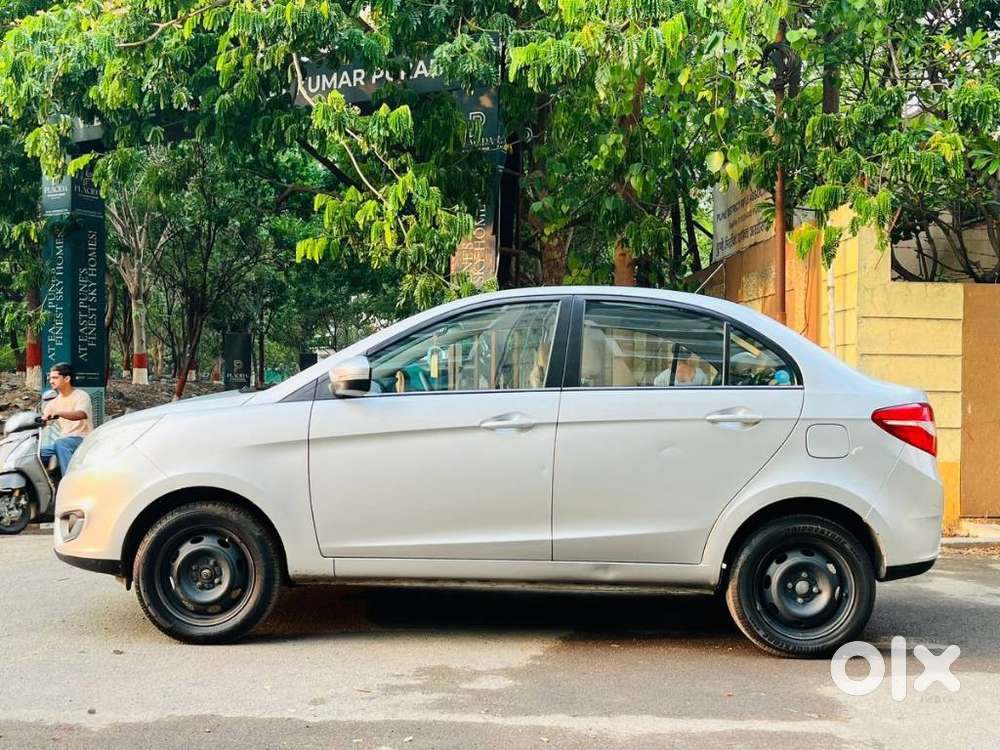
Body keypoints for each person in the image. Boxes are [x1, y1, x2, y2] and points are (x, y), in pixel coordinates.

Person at [39, 363, 93, 476]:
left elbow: (81, 414)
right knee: (35, 453)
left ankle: (69, 480)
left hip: (82, 438)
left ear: (67, 379)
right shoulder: (53, 402)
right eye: (50, 378)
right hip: (62, 441)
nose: (51, 381)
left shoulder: (81, 395)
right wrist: (41, 420)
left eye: (55, 378)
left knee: (61, 443)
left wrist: (59, 413)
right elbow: (46, 421)